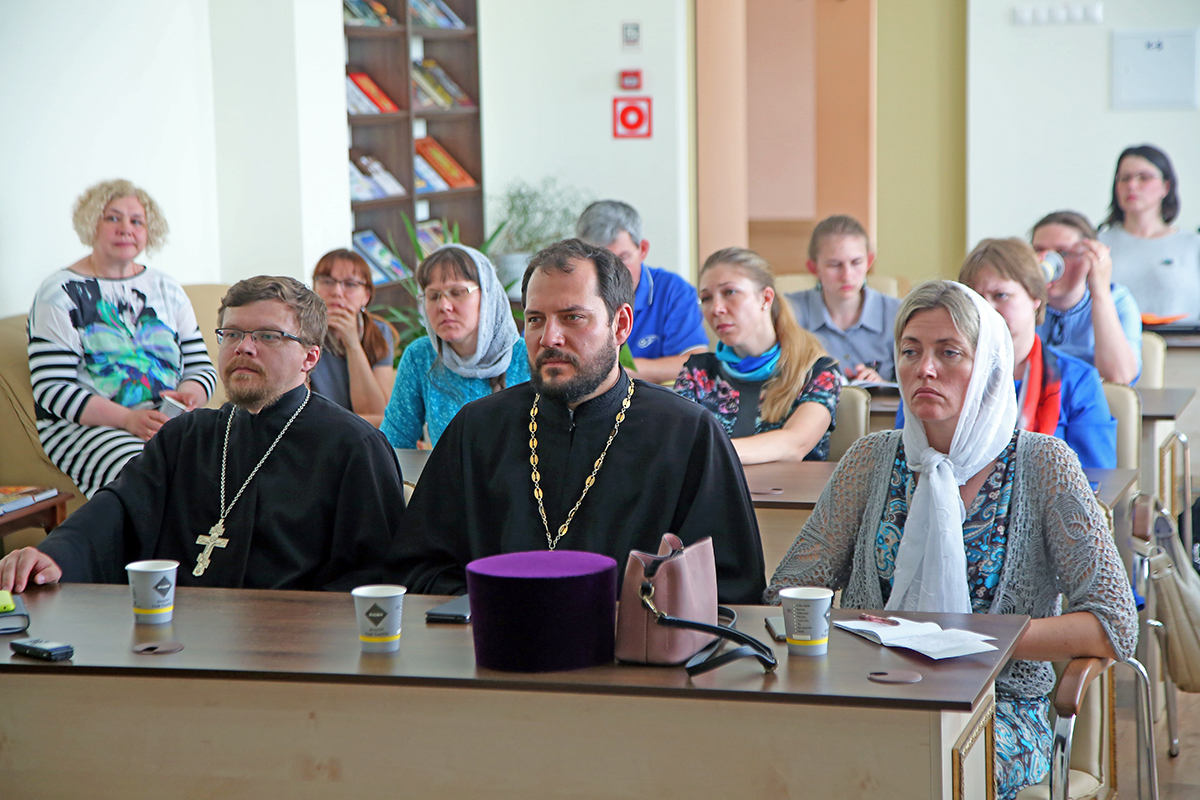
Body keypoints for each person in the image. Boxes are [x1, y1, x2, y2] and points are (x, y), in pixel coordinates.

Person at [767, 280, 1136, 800]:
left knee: (909, 768)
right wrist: (872, 632)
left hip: (999, 708)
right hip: (873, 694)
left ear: (986, 365)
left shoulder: (1043, 464)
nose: (926, 369)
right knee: (788, 758)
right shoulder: (871, 459)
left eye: (949, 353)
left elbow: (1113, 623)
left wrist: (965, 637)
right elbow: (788, 591)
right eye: (911, 351)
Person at [390, 238, 765, 604]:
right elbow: (419, 567)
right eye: (535, 319)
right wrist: (490, 609)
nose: (549, 337)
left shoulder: (688, 434)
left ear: (620, 325)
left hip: (634, 658)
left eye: (572, 317)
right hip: (497, 649)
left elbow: (731, 589)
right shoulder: (476, 428)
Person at [1, 276, 406, 593]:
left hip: (292, 654)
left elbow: (374, 573)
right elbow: (118, 511)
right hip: (176, 637)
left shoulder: (354, 447)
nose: (244, 348)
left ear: (310, 356)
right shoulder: (186, 437)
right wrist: (56, 555)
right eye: (232, 334)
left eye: (267, 335)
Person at [28, 179, 217, 498]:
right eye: (112, 218)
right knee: (153, 472)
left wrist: (188, 396)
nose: (125, 228)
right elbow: (52, 389)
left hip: (167, 421)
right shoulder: (59, 293)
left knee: (235, 457)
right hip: (90, 428)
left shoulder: (167, 288)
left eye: (136, 221)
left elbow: (201, 367)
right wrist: (129, 419)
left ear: (148, 230)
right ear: (92, 224)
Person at [908, 239, 1115, 469]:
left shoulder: (1077, 380)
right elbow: (910, 461)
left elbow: (1097, 479)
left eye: (1001, 296)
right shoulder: (935, 375)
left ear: (1035, 298)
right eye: (975, 298)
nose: (986, 309)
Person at [674, 247, 840, 464]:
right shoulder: (697, 371)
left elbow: (794, 445)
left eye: (729, 292)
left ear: (766, 298)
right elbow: (677, 444)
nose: (716, 308)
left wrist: (704, 450)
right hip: (714, 496)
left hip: (787, 495)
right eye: (706, 298)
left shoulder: (817, 370)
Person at [381, 244, 530, 448]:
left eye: (458, 292)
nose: (444, 306)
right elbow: (393, 443)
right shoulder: (420, 357)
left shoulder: (527, 357)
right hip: (445, 480)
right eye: (433, 296)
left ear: (487, 296)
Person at [576, 200, 708, 383]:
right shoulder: (570, 292)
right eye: (601, 263)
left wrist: (610, 369)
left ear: (643, 249)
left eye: (623, 258)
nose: (613, 273)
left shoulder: (673, 291)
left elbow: (696, 364)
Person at [1031, 210, 1141, 385]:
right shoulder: (1022, 301)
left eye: (1064, 253)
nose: (1047, 262)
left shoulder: (1117, 299)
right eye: (1039, 251)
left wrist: (1100, 292)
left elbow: (1119, 377)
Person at [787, 215, 901, 383]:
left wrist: (884, 386)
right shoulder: (788, 311)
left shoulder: (899, 313)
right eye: (834, 265)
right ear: (813, 268)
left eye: (856, 262)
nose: (847, 275)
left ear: (869, 262)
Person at [1099, 144, 1200, 319]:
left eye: (1144, 177)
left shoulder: (1193, 245)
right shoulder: (1098, 243)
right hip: (1113, 343)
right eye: (1124, 178)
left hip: (1181, 343)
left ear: (1165, 187)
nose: (1132, 185)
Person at [308, 248, 397, 425]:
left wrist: (352, 343)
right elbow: (305, 416)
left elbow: (377, 413)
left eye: (350, 284)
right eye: (327, 282)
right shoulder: (301, 333)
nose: (337, 292)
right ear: (314, 289)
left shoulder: (380, 332)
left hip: (359, 437)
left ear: (367, 296)